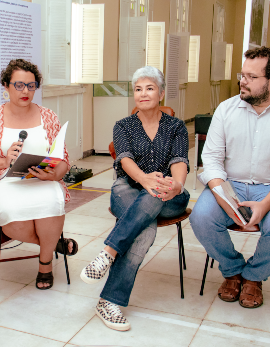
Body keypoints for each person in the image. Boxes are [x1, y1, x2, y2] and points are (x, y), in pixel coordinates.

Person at [190, 46, 270, 309]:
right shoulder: (226, 109)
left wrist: (265, 204)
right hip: (230, 184)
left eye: (250, 76)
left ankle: (253, 276)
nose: (242, 81)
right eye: (241, 74)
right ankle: (232, 269)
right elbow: (211, 159)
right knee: (201, 217)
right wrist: (222, 195)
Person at [80, 66, 190, 331]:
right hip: (128, 190)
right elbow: (124, 159)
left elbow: (179, 160)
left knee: (156, 193)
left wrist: (176, 185)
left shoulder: (176, 127)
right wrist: (145, 180)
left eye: (150, 88)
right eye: (138, 89)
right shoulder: (123, 126)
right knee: (145, 231)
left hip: (168, 196)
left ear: (161, 93)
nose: (143, 93)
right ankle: (108, 302)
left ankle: (108, 253)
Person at [0, 58, 78, 291]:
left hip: (42, 179)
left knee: (53, 201)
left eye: (31, 85)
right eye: (18, 85)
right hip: (2, 182)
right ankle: (53, 243)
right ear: (6, 86)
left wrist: (54, 175)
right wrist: (4, 161)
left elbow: (64, 160)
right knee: (12, 214)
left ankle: (45, 265)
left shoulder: (48, 116)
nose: (25, 91)